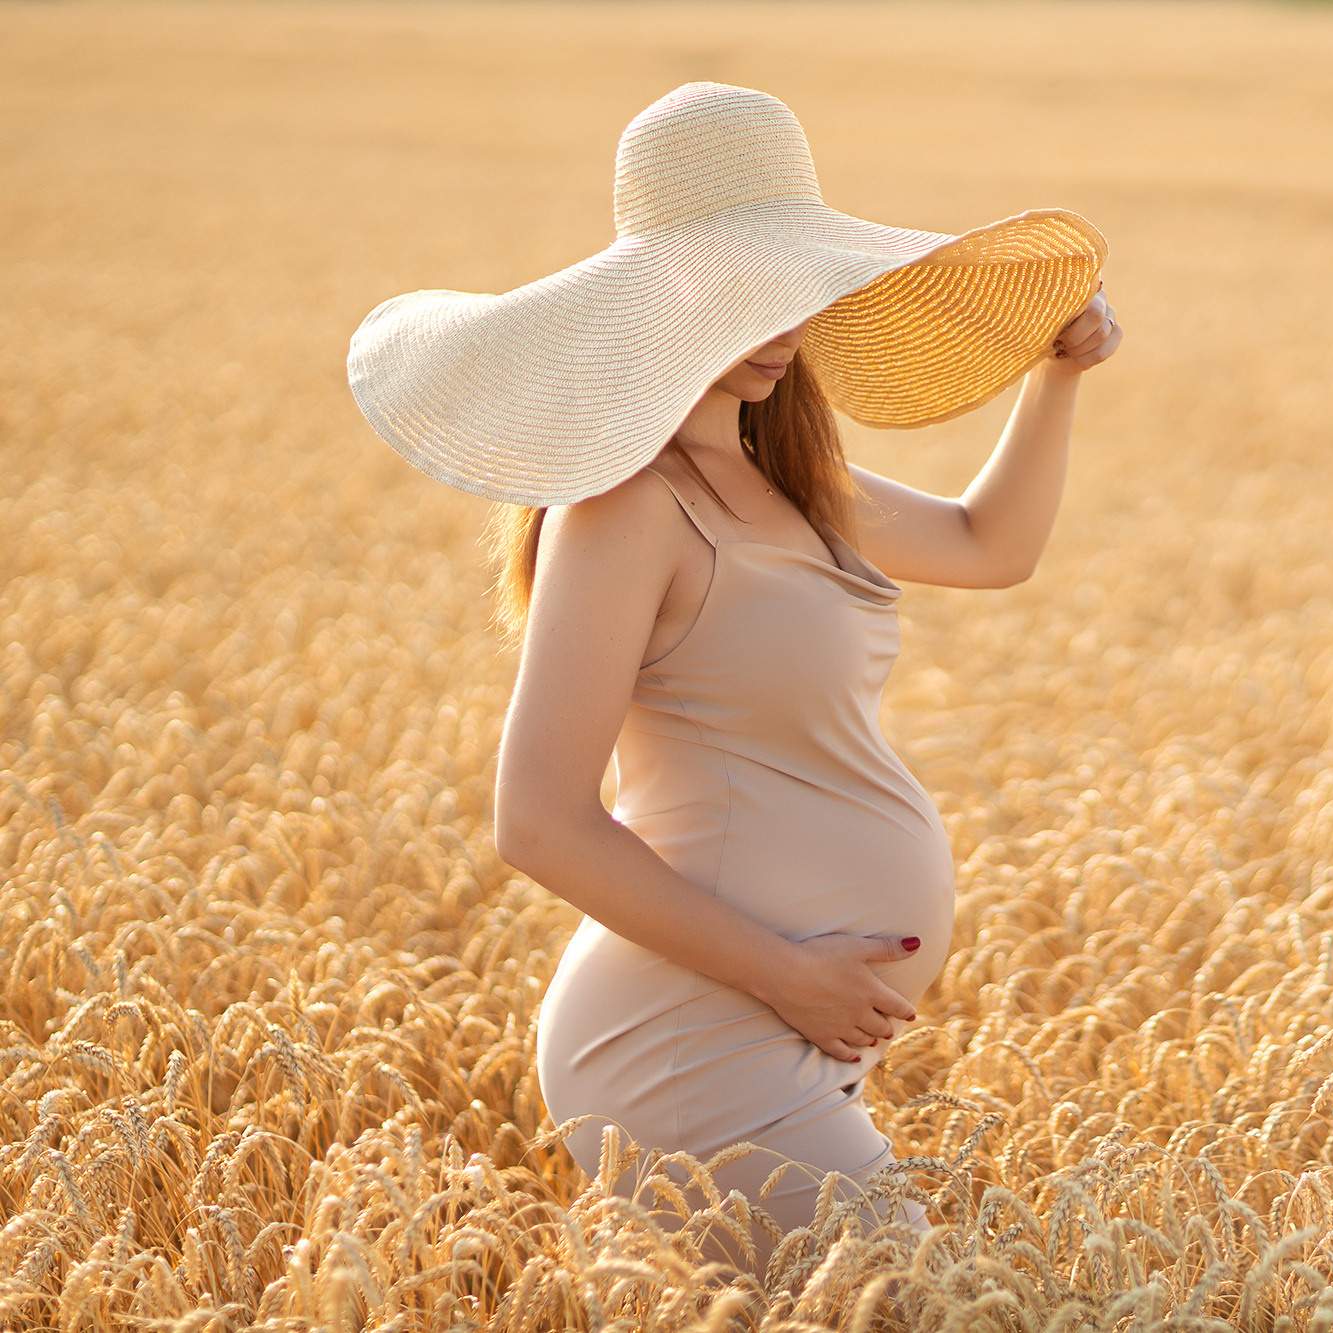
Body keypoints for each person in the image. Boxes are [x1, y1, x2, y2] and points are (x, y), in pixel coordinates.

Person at [346, 83, 1119, 1272]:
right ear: (655, 295)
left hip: (796, 1029)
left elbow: (988, 546)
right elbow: (537, 820)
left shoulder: (794, 480)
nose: (780, 322)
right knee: (935, 1296)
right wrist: (792, 976)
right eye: (739, 286)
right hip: (690, 1031)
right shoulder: (622, 510)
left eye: (790, 284)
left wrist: (1053, 378)